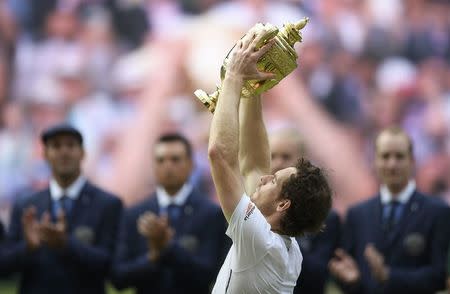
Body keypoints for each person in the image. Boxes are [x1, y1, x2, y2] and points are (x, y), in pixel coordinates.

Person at [208, 26, 332, 293]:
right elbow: (254, 163)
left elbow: (220, 155)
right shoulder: (286, 247)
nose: (266, 176)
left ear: (283, 204)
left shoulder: (260, 242)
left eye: (274, 180)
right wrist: (253, 90)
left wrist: (234, 76)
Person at [329, 126, 450, 294]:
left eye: (399, 156)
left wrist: (390, 276)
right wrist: (353, 281)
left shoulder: (437, 212)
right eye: (385, 156)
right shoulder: (357, 215)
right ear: (375, 161)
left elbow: (439, 276)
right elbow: (349, 275)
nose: (392, 164)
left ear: (412, 161)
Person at [5, 124, 123, 294]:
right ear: (45, 154)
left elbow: (111, 267)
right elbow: (5, 267)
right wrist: (28, 249)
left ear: (83, 153)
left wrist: (66, 244)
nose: (64, 152)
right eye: (56, 146)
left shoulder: (108, 204)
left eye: (70, 145)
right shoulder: (26, 205)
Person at [111, 133, 229, 294]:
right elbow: (118, 278)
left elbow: (211, 274)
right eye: (160, 160)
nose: (167, 166)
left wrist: (167, 247)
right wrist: (151, 257)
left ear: (191, 164)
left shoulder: (211, 214)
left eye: (175, 159)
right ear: (153, 166)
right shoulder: (134, 214)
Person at [270, 127, 341, 294]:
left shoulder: (326, 218)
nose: (278, 163)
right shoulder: (253, 211)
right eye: (272, 156)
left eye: (286, 156)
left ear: (303, 162)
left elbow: (318, 276)